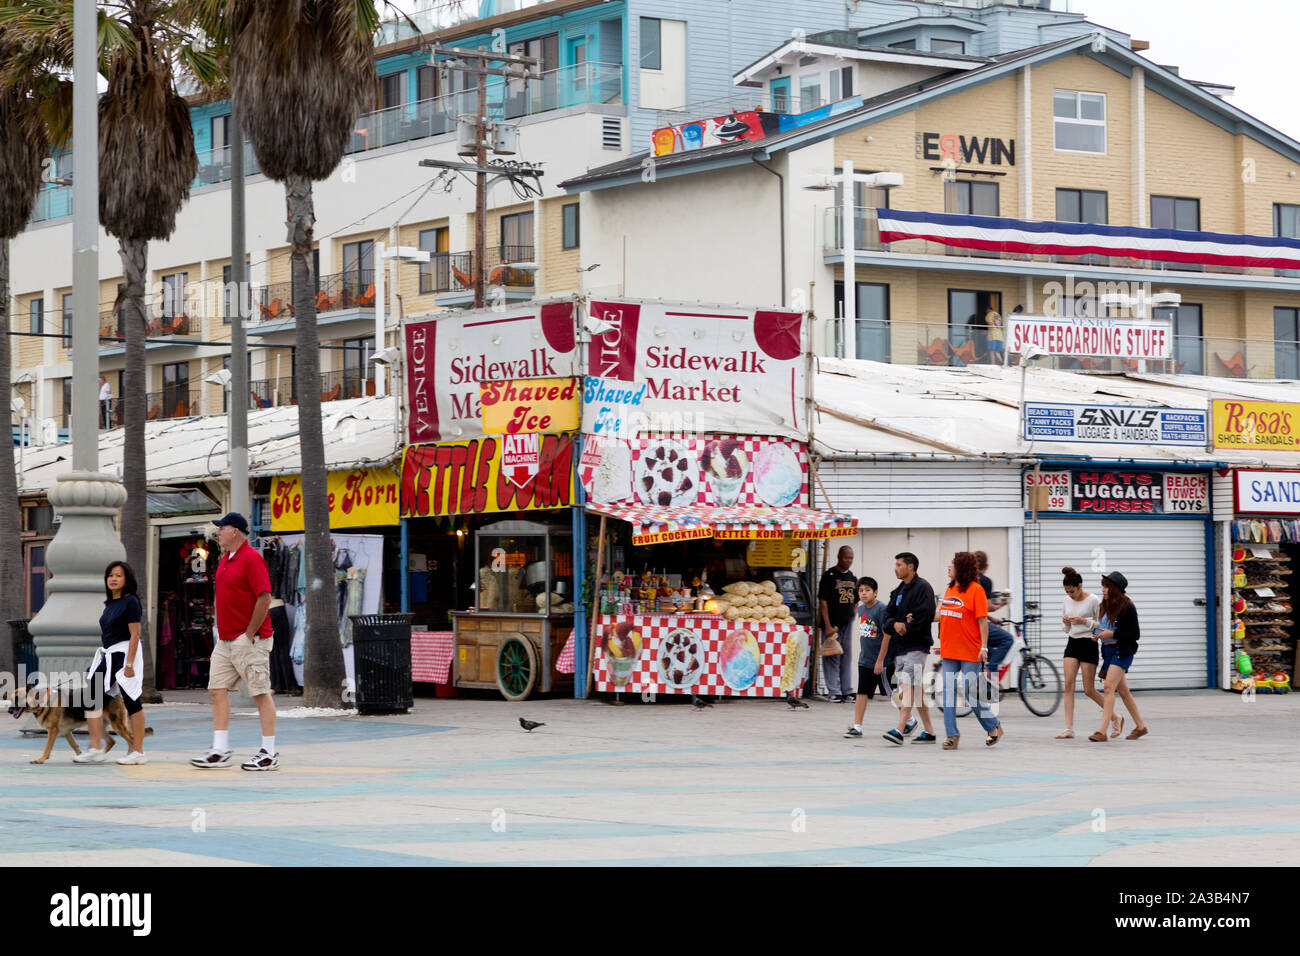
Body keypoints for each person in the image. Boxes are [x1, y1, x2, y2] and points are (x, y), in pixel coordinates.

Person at [191, 512, 280, 771]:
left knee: (260, 693)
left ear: (236, 531)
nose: (217, 532)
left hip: (250, 640)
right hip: (226, 639)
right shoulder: (225, 559)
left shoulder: (252, 559)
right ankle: (220, 750)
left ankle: (269, 752)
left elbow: (264, 597)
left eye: (222, 528)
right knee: (216, 689)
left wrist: (249, 634)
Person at [73, 562, 148, 765]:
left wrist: (130, 664)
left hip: (124, 654)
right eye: (110, 575)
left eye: (118, 575)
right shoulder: (110, 604)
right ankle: (95, 748)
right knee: (92, 697)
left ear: (127, 579)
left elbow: (135, 635)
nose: (113, 579)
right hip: (108, 654)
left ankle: (138, 752)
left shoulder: (130, 601)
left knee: (132, 700)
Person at [937, 552, 1004, 750]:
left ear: (962, 568)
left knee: (969, 691)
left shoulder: (976, 591)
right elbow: (943, 614)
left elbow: (982, 620)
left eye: (952, 563)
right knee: (948, 692)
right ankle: (951, 735)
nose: (948, 566)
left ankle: (993, 726)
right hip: (949, 650)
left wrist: (984, 647)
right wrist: (921, 618)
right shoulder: (950, 589)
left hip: (970, 651)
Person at [881, 552, 937, 745]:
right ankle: (929, 732)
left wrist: (909, 626)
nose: (895, 568)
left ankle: (899, 728)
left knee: (907, 686)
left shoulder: (923, 588)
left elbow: (926, 614)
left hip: (917, 646)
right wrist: (896, 624)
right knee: (916, 690)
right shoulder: (898, 590)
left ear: (910, 566)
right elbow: (887, 615)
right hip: (900, 647)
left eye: (899, 565)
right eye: (895, 564)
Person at [1089, 571, 1149, 742]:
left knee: (1108, 688)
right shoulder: (1104, 606)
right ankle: (1140, 726)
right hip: (1107, 652)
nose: (1103, 590)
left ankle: (1102, 731)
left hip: (1122, 651)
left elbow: (1135, 634)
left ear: (1115, 588)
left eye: (1106, 586)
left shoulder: (1127, 606)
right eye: (1103, 586)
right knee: (1123, 691)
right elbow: (1103, 629)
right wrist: (1097, 634)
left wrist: (1112, 634)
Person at [1057, 566, 1112, 739]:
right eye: (1067, 592)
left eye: (1072, 591)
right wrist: (1065, 622)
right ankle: (1069, 728)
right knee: (1068, 685)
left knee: (1089, 689)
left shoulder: (1093, 600)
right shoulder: (1066, 601)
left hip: (1088, 643)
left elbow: (1100, 624)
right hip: (1072, 642)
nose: (1070, 595)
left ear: (1080, 586)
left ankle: (1115, 716)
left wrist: (1083, 621)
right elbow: (1065, 629)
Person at [844, 577, 891, 738]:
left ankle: (910, 720)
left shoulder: (881, 609)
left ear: (875, 592)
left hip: (881, 661)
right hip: (865, 659)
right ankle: (857, 726)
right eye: (861, 590)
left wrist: (880, 660)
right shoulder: (861, 609)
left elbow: (887, 635)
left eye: (867, 590)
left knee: (892, 693)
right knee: (861, 692)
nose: (864, 593)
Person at [817, 545, 858, 702]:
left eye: (851, 558)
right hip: (832, 623)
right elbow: (823, 601)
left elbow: (855, 601)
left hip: (847, 623)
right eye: (846, 557)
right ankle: (833, 691)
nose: (849, 561)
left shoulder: (852, 578)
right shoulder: (829, 576)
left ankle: (847, 690)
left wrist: (852, 616)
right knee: (832, 655)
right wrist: (827, 625)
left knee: (846, 656)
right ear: (839, 557)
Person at [973, 551, 1014, 678]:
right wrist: (1003, 603)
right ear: (987, 566)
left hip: (970, 622)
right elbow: (986, 607)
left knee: (990, 646)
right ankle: (991, 668)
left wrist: (992, 619)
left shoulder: (969, 579)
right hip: (978, 624)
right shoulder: (985, 581)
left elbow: (977, 609)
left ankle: (985, 671)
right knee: (1008, 639)